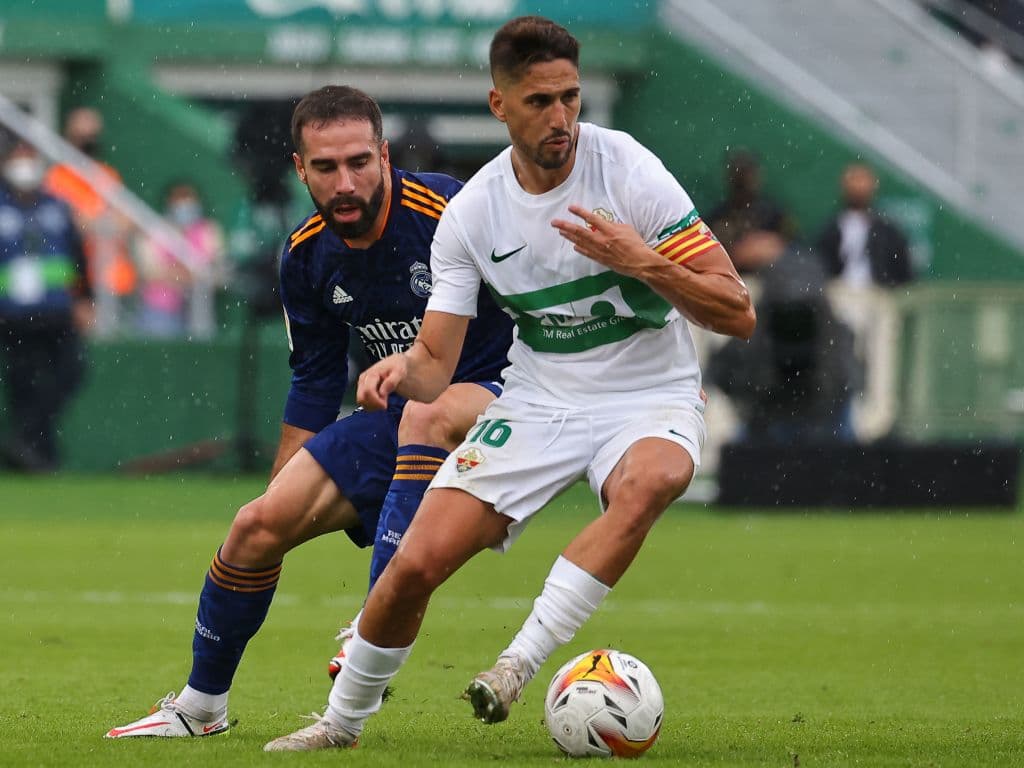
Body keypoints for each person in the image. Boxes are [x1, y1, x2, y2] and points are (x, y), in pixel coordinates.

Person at [263, 16, 755, 752]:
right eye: (539, 101)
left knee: (651, 481)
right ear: (499, 105)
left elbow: (737, 311)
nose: (561, 118)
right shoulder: (472, 214)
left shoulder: (627, 170)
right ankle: (341, 724)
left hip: (647, 395)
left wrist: (640, 261)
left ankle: (517, 663)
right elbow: (437, 364)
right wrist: (403, 370)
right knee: (415, 565)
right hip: (538, 400)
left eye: (570, 97)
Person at [105, 85, 512, 738]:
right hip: (406, 417)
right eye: (326, 167)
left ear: (385, 156)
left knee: (424, 416)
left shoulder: (452, 211)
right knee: (255, 526)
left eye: (359, 162)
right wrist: (283, 497)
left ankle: (372, 628)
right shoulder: (305, 255)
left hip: (506, 400)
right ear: (300, 168)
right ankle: (200, 708)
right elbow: (316, 382)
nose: (344, 182)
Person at [707, 238, 858, 444]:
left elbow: (846, 379)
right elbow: (723, 372)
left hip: (807, 419)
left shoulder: (829, 330)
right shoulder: (764, 323)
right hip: (773, 419)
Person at [0, 139, 93, 471]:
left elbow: (78, 256)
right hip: (12, 313)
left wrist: (85, 298)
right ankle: (38, 455)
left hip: (55, 310)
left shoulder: (57, 206)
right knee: (22, 381)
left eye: (30, 158)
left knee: (71, 371)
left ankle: (26, 439)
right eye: (17, 158)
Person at [44, 107, 136, 334]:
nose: (88, 142)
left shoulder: (107, 174)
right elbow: (71, 224)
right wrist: (100, 222)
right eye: (82, 136)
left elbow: (127, 220)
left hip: (113, 277)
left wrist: (97, 222)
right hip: (76, 278)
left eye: (93, 136)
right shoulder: (59, 176)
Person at [136, 181, 226, 338]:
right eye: (179, 201)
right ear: (170, 204)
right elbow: (148, 271)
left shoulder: (208, 231)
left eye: (189, 201)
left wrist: (185, 275)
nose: (185, 207)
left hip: (199, 307)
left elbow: (219, 271)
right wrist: (186, 275)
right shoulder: (156, 230)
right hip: (161, 310)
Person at [814, 163, 913, 289]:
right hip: (839, 289)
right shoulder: (832, 228)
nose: (858, 187)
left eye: (863, 181)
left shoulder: (887, 231)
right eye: (854, 181)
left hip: (877, 291)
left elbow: (902, 271)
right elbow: (821, 264)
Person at [705, 149, 795, 274]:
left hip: (772, 276)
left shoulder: (773, 212)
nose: (744, 179)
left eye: (747, 173)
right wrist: (737, 252)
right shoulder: (720, 215)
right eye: (739, 174)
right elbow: (708, 254)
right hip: (734, 276)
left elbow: (795, 248)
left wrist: (769, 245)